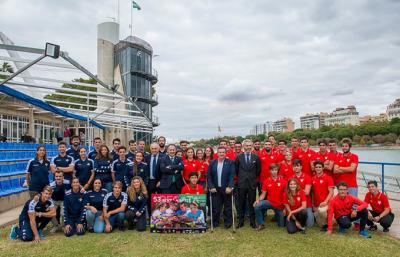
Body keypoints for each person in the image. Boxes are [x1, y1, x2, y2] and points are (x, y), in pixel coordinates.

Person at [235, 139, 261, 229]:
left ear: (252, 146)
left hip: (252, 184)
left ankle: (252, 221)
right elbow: (236, 170)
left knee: (252, 203)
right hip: (241, 184)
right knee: (241, 203)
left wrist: (251, 177)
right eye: (246, 145)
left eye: (250, 145)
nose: (248, 147)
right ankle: (240, 221)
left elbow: (258, 170)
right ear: (243, 147)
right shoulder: (238, 157)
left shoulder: (256, 157)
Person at [208, 147, 235, 229]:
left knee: (227, 207)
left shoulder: (230, 162)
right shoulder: (212, 162)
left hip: (226, 188)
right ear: (217, 153)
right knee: (216, 207)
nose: (221, 154)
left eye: (223, 152)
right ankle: (215, 222)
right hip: (215, 189)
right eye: (220, 152)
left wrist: (230, 186)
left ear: (225, 153)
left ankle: (228, 222)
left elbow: (231, 176)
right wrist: (211, 186)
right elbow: (209, 176)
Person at [254, 164, 286, 230]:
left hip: (279, 205)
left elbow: (286, 195)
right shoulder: (266, 181)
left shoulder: (283, 181)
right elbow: (263, 194)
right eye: (272, 170)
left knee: (281, 225)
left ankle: (278, 217)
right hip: (269, 202)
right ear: (270, 171)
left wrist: (285, 207)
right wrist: (258, 200)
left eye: (275, 170)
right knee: (257, 206)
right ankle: (261, 224)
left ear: (277, 171)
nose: (274, 172)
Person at [311, 160, 334, 231]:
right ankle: (327, 223)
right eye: (316, 167)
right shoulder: (313, 178)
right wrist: (312, 204)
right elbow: (312, 193)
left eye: (320, 167)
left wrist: (325, 202)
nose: (318, 168)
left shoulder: (328, 178)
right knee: (319, 224)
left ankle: (330, 223)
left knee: (322, 211)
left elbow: (331, 192)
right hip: (317, 204)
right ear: (314, 168)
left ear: (323, 168)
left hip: (325, 203)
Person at [290, 159, 313, 227]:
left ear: (301, 167)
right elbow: (289, 192)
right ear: (293, 168)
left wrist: (294, 190)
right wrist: (301, 190)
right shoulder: (291, 178)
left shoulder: (307, 177)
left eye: (298, 166)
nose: (296, 167)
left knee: (310, 224)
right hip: (295, 204)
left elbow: (307, 192)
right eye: (294, 166)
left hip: (306, 204)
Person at [146, 143, 162, 213]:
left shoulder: (164, 157)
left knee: (160, 199)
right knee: (150, 199)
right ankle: (150, 216)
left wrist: (161, 180)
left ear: (158, 149)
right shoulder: (147, 157)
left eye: (155, 148)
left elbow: (165, 171)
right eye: (152, 148)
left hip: (160, 181)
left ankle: (161, 215)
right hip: (150, 181)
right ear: (150, 149)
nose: (154, 150)